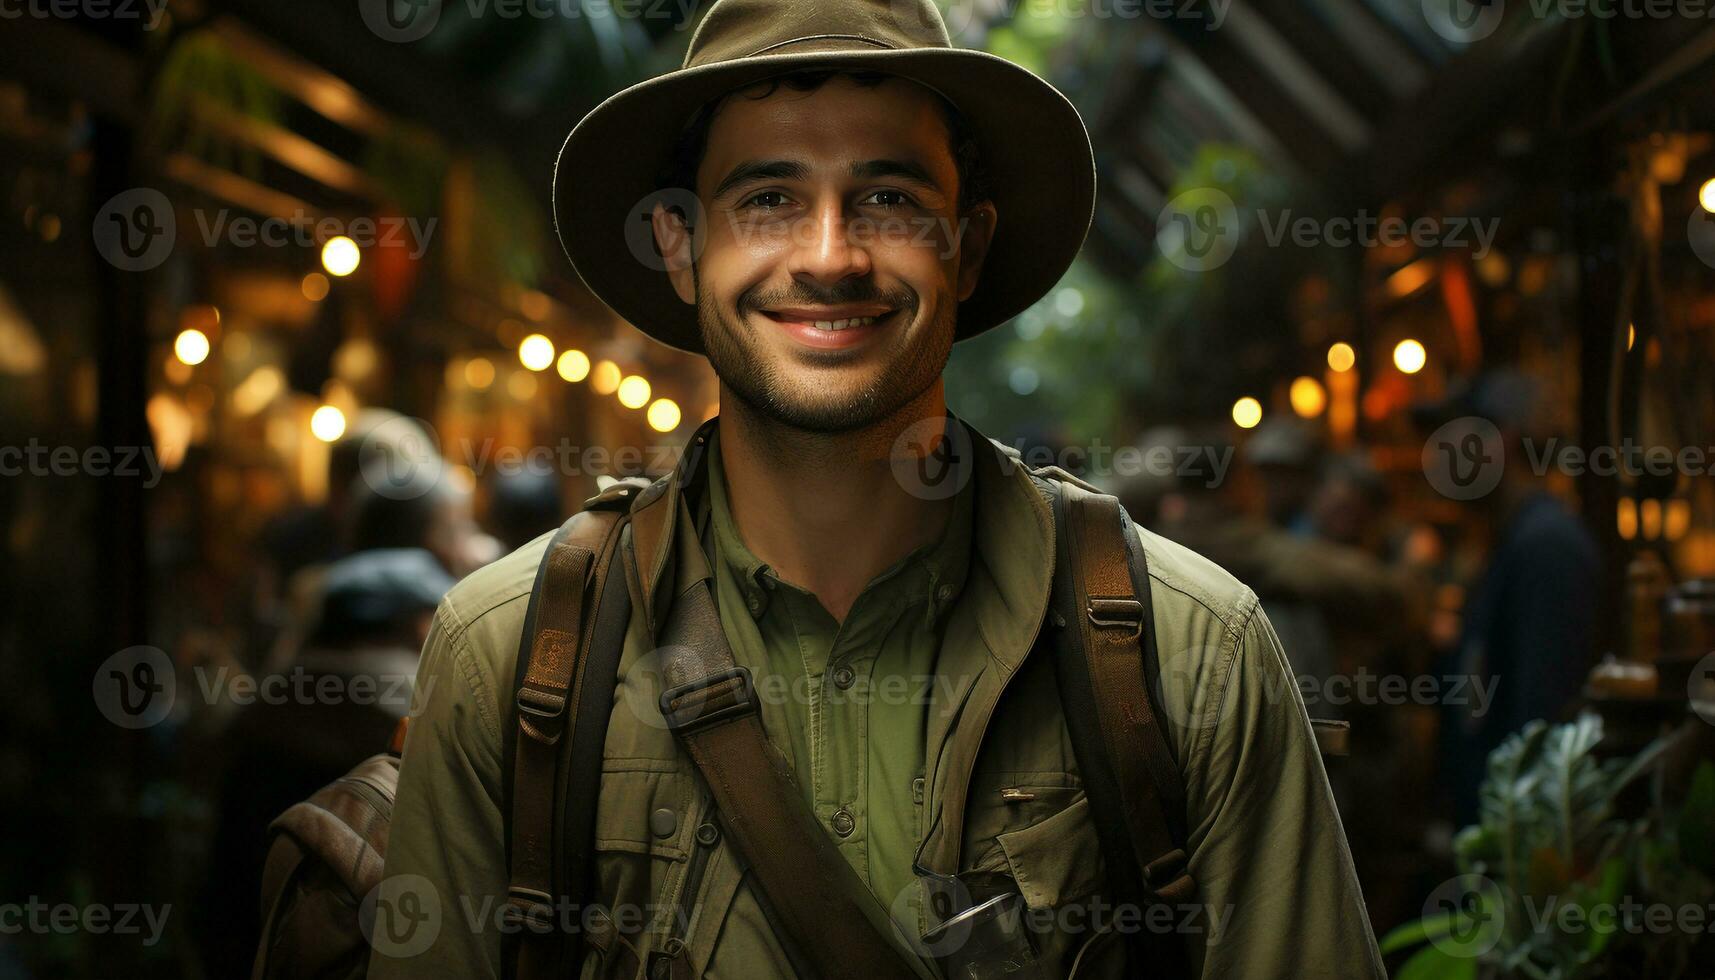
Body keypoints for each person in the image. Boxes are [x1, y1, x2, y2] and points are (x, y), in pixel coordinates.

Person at [374, 1, 1384, 976]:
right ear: (680, 245)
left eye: (888, 198)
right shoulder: (513, 659)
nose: (828, 255)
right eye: (766, 198)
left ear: (969, 247)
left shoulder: (1189, 651)